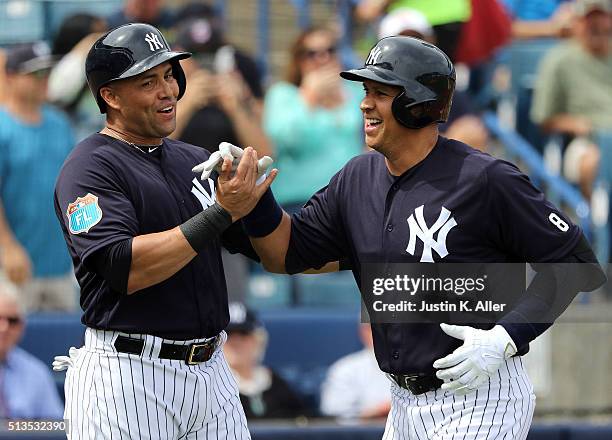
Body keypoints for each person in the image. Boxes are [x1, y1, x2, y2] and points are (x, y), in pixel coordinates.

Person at [232, 36, 605, 438]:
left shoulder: (485, 178)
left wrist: (506, 337)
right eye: (365, 91)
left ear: (416, 103)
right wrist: (252, 202)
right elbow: (286, 254)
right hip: (404, 403)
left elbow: (576, 264)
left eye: (379, 92)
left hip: (479, 395)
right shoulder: (356, 177)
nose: (364, 103)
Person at [52, 23, 275, 438]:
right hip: (129, 374)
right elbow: (124, 268)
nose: (167, 90)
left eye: (170, 75)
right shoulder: (90, 165)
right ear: (110, 95)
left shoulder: (192, 159)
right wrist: (221, 212)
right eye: (148, 81)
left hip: (211, 371)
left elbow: (269, 250)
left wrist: (257, 197)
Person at [0, 42, 76, 311]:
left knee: (64, 346)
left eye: (46, 72)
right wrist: (7, 248)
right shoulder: (3, 127)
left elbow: (75, 186)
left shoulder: (60, 123)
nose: (42, 80)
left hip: (61, 263)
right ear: (10, 76)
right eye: (34, 73)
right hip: (14, 266)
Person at [263, 26, 364, 211]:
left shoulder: (356, 93)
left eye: (330, 51)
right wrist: (309, 97)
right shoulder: (283, 94)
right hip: (300, 201)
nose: (323, 59)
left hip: (350, 199)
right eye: (312, 53)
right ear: (299, 60)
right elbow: (283, 140)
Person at [531, 0, 612, 198]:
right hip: (586, 140)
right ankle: (596, 226)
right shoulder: (559, 59)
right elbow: (543, 117)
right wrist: (575, 124)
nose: (597, 26)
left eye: (601, 19)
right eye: (589, 19)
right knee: (591, 161)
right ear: (578, 22)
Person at [223, 302, 306, 419]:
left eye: (244, 334)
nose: (236, 342)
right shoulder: (211, 388)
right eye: (228, 334)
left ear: (258, 340)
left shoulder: (277, 383)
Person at [0, 277, 64, 420]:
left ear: (22, 326)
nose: (4, 327)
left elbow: (56, 427)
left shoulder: (36, 373)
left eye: (12, 321)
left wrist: (19, 428)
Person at [48, 13, 108, 141]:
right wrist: (82, 51)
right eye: (96, 35)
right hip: (76, 139)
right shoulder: (67, 66)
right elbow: (57, 92)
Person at [320, 323, 391, 420]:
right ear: (364, 332)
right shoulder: (345, 370)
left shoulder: (417, 367)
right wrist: (379, 411)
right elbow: (334, 418)